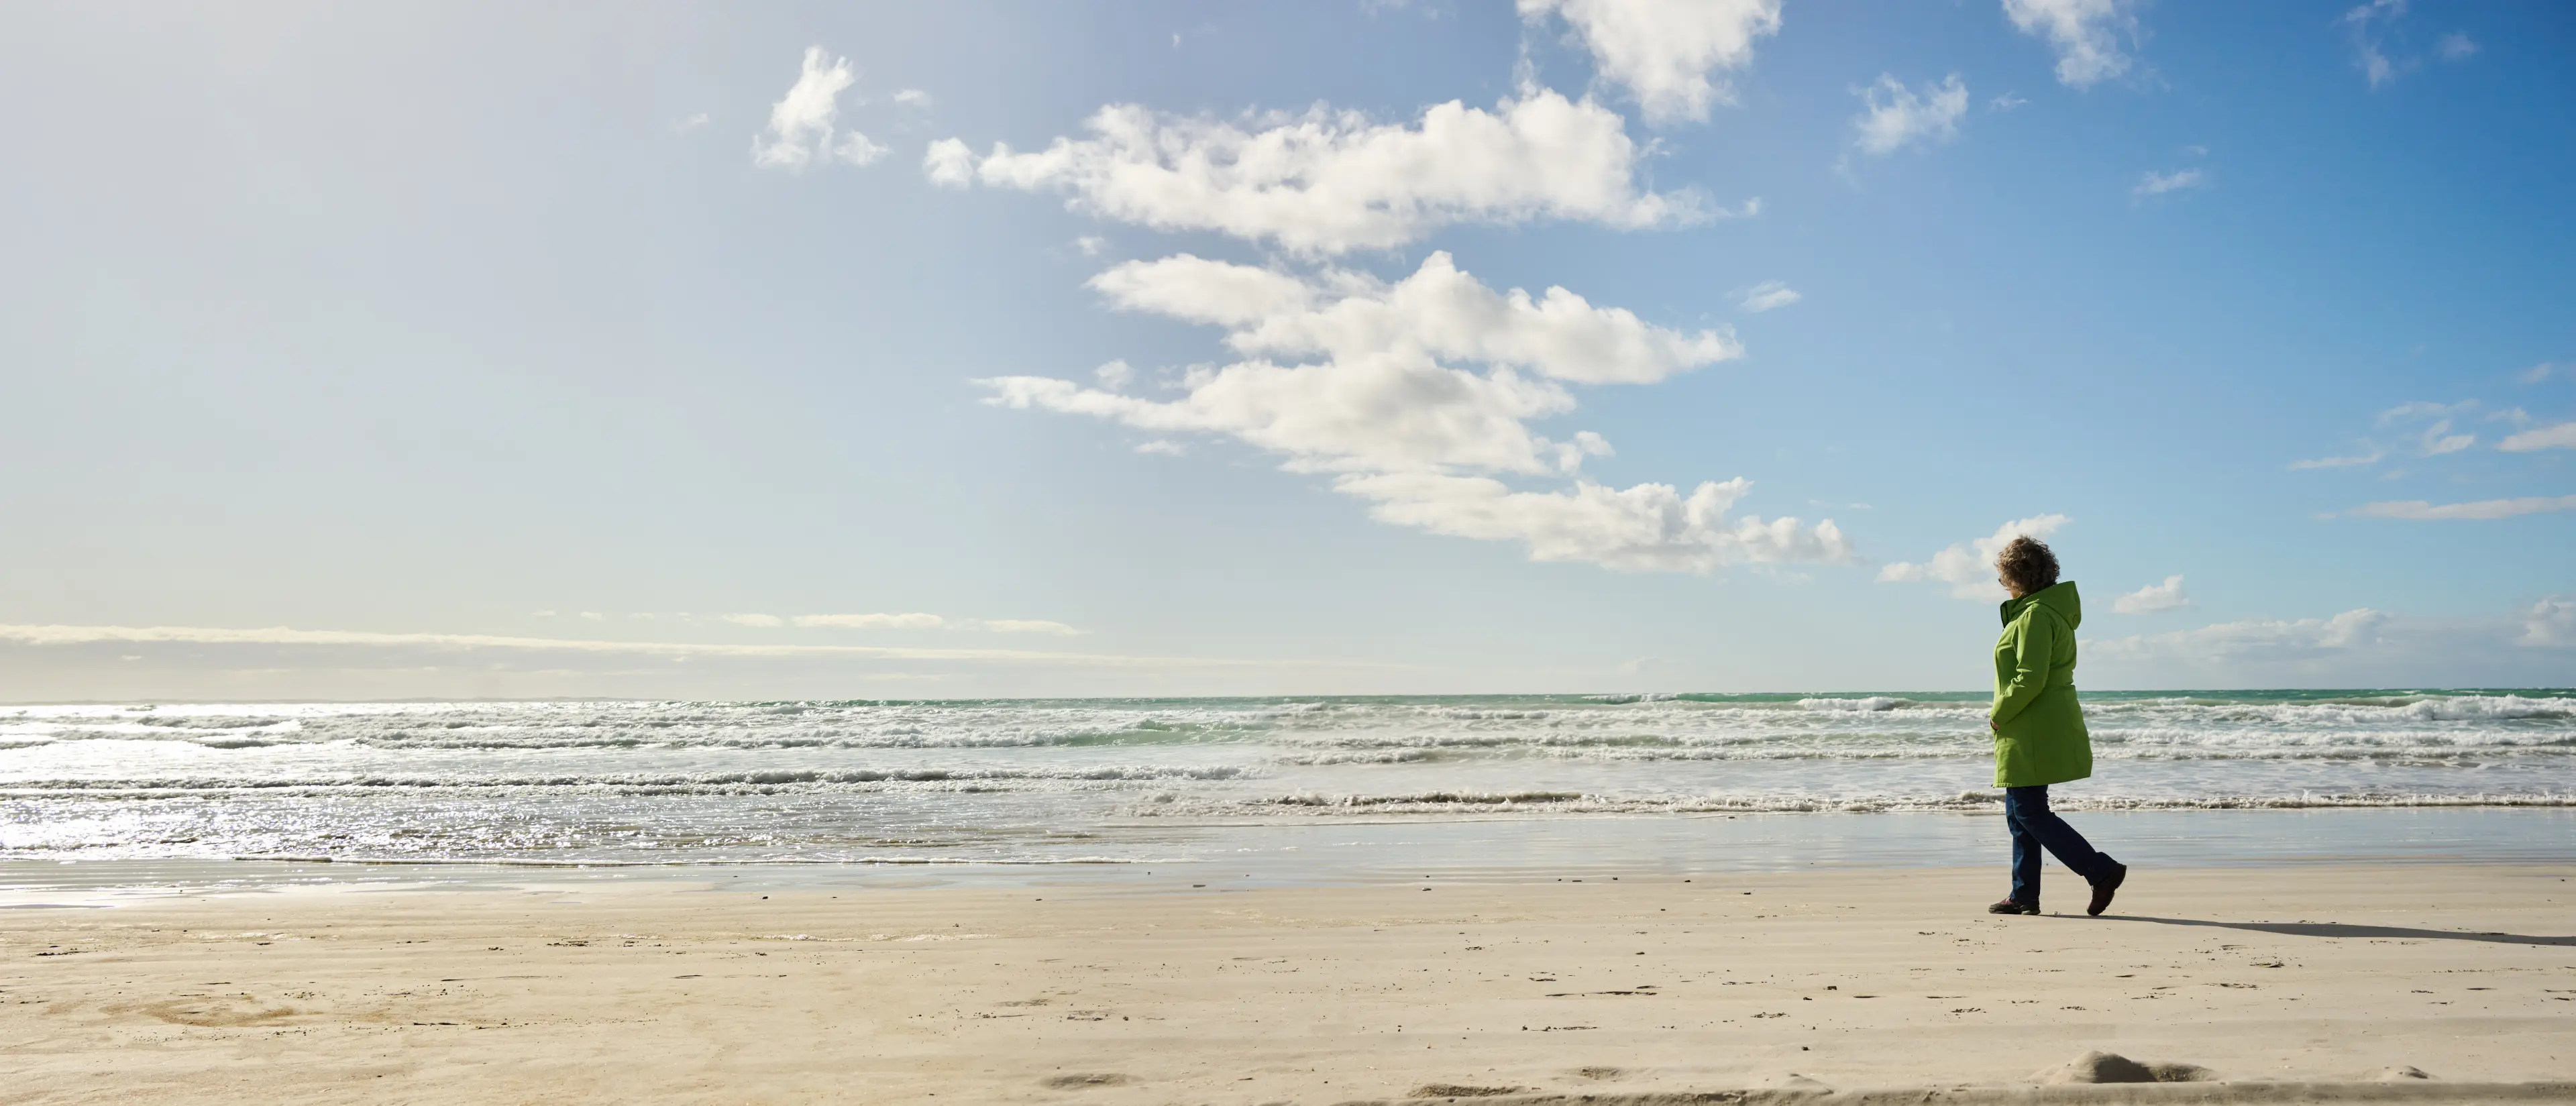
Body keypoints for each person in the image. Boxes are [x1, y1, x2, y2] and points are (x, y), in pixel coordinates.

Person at [1984, 536, 2127, 917]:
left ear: (2016, 576)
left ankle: (2100, 870)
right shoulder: (2044, 611)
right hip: (2034, 722)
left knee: (2029, 811)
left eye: (2003, 576)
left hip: (2032, 723)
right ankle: (2024, 893)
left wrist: (1999, 712)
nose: (2002, 583)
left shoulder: (2034, 616)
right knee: (2020, 813)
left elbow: (2030, 678)